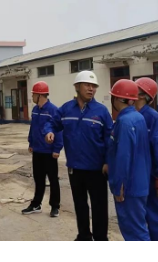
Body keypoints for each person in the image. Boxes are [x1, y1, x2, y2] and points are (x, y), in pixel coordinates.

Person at [44, 71, 113, 241]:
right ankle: (84, 236)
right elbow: (52, 123)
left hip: (97, 169)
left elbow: (109, 139)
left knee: (99, 206)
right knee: (80, 205)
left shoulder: (102, 111)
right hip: (75, 168)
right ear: (77, 87)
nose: (91, 89)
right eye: (87, 85)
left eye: (94, 86)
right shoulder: (66, 109)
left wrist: (108, 162)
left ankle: (101, 239)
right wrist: (49, 131)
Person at [107, 79, 151, 241]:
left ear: (118, 99)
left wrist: (119, 185)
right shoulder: (138, 117)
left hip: (129, 188)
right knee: (139, 228)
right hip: (140, 183)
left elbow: (123, 156)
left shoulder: (124, 122)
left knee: (134, 233)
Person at [135, 77, 158, 241]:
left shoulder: (152, 118)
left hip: (151, 176)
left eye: (134, 90)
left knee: (156, 216)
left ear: (142, 95)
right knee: (140, 217)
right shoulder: (132, 115)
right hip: (137, 176)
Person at [22, 81, 63, 218]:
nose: (32, 96)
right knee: (38, 179)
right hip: (37, 150)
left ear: (40, 95)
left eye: (33, 94)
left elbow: (59, 131)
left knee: (53, 180)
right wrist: (31, 142)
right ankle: (36, 204)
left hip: (49, 152)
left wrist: (57, 149)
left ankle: (55, 206)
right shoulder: (35, 110)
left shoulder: (53, 110)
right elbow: (33, 127)